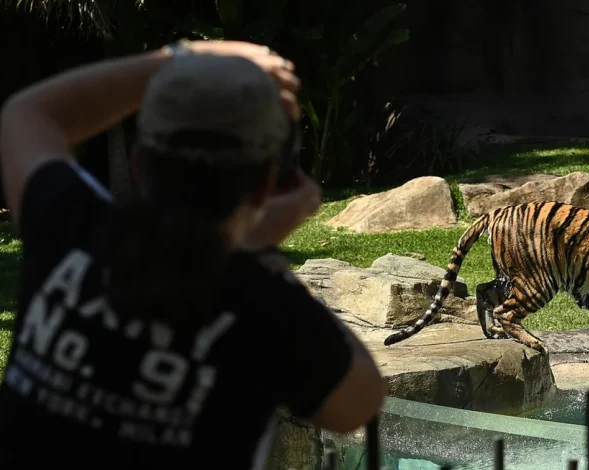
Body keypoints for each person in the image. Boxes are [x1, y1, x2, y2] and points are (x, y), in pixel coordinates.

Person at [0, 39, 385, 469]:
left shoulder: (69, 225)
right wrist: (255, 250)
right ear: (263, 185)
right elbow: (361, 399)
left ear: (137, 164)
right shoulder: (266, 309)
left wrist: (180, 58)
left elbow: (27, 113)